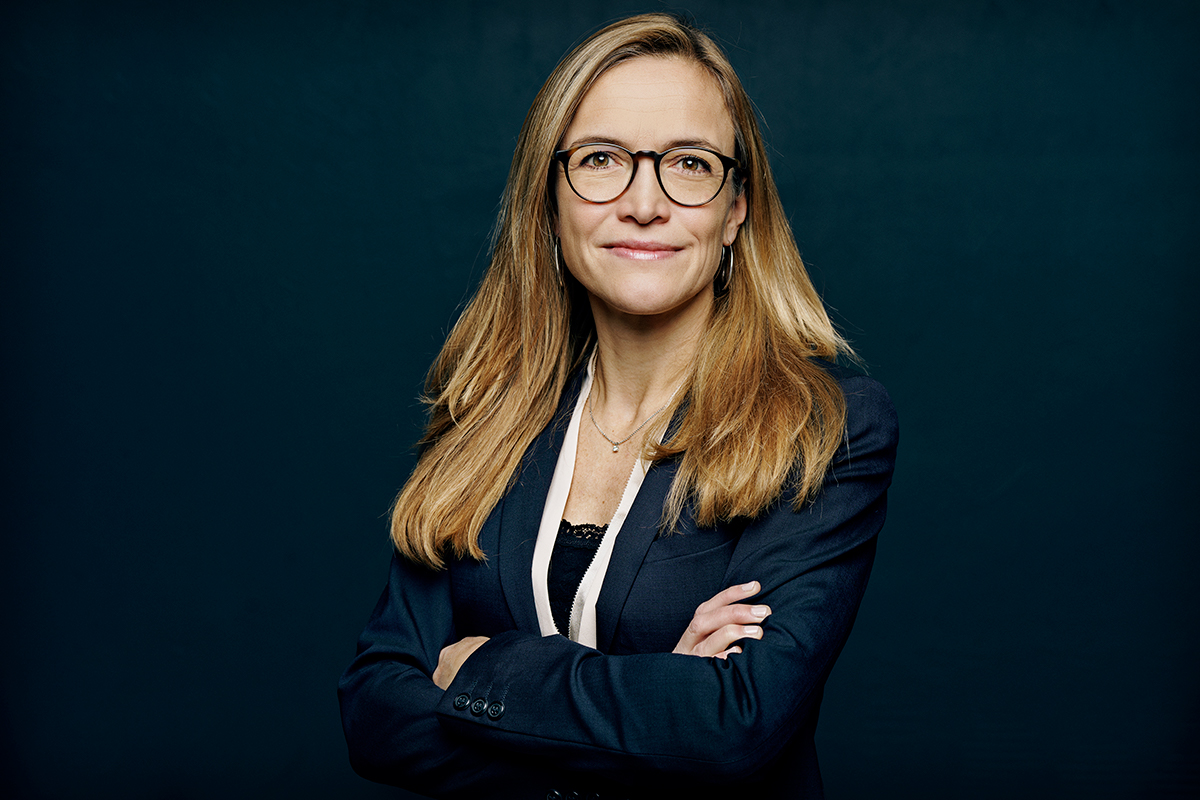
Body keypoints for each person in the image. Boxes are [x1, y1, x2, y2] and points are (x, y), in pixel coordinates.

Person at [339, 12, 897, 800]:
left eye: (690, 164)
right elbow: (375, 712)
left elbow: (735, 727)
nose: (643, 203)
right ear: (550, 199)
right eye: (601, 159)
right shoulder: (485, 413)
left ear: (736, 208)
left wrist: (485, 668)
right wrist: (659, 695)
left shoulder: (820, 428)